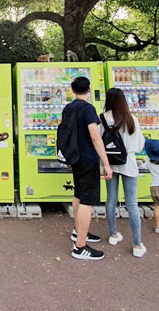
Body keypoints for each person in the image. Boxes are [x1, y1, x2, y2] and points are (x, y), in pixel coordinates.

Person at [64, 76, 113, 261]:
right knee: (87, 200)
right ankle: (80, 247)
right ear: (90, 89)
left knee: (78, 194)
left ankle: (78, 232)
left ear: (72, 90)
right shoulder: (88, 109)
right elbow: (95, 137)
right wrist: (106, 163)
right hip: (87, 159)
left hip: (75, 158)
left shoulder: (69, 108)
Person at [100, 87, 146, 258]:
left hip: (109, 163)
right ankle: (137, 244)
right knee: (132, 203)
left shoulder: (102, 119)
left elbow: (98, 142)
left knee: (111, 199)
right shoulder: (131, 119)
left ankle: (113, 234)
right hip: (129, 163)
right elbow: (140, 144)